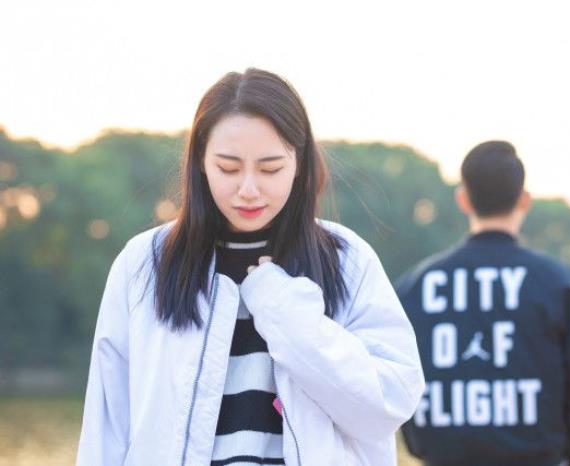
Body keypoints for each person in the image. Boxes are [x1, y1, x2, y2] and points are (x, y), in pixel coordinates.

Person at [76, 68, 425, 466]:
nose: (248, 189)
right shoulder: (146, 263)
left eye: (270, 168)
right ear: (200, 161)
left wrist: (286, 312)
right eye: (228, 168)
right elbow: (107, 426)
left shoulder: (346, 260)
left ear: (299, 163)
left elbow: (388, 405)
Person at [397, 141, 570, 466]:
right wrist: (566, 451)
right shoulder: (556, 282)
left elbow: (394, 373)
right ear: (524, 200)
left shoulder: (416, 286)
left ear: (463, 199)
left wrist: (421, 444)